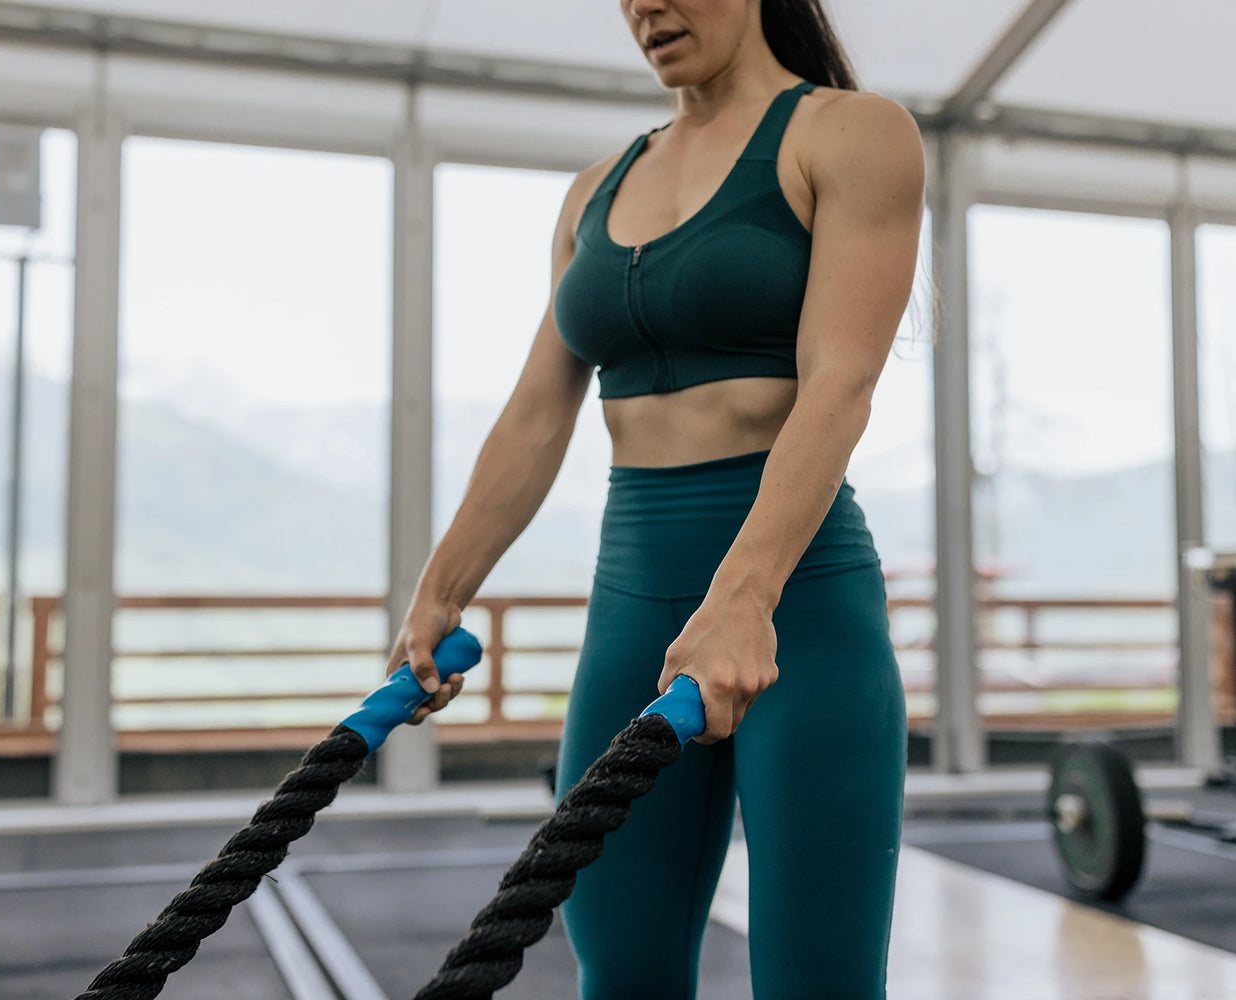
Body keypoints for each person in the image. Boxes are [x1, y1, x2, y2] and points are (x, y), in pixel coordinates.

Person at [386, 0, 924, 996]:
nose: (646, 6)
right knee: (621, 964)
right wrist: (440, 590)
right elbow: (536, 415)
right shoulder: (594, 192)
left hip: (798, 603)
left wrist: (746, 597)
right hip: (631, 603)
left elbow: (840, 383)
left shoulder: (850, 134)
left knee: (819, 978)